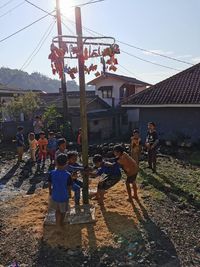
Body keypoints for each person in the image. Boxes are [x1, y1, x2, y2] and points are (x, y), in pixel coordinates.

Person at [48, 154, 70, 229]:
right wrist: (69, 194)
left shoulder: (52, 173)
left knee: (57, 211)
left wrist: (50, 191)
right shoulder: (68, 175)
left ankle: (57, 225)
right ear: (66, 163)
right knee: (63, 211)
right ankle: (61, 223)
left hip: (55, 195)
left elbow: (49, 183)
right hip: (64, 197)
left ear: (56, 163)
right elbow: (69, 187)